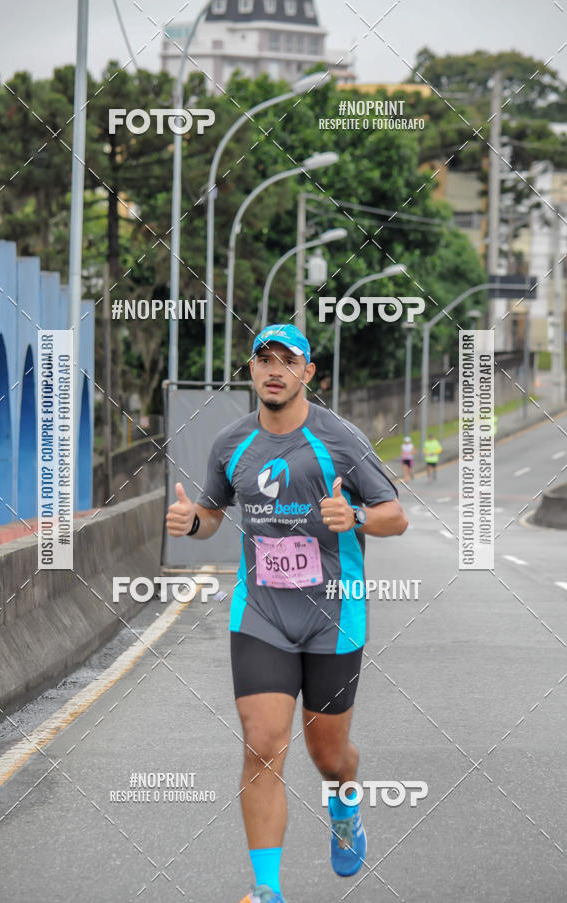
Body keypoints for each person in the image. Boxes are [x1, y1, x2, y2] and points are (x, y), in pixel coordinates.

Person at [166, 324, 408, 903]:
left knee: (327, 755)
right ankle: (267, 889)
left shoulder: (340, 439)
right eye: (263, 359)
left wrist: (357, 519)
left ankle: (345, 804)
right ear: (251, 371)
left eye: (287, 361)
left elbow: (395, 515)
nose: (274, 370)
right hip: (262, 615)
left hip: (333, 615)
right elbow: (212, 511)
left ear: (308, 373)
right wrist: (191, 524)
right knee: (262, 742)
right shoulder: (231, 443)